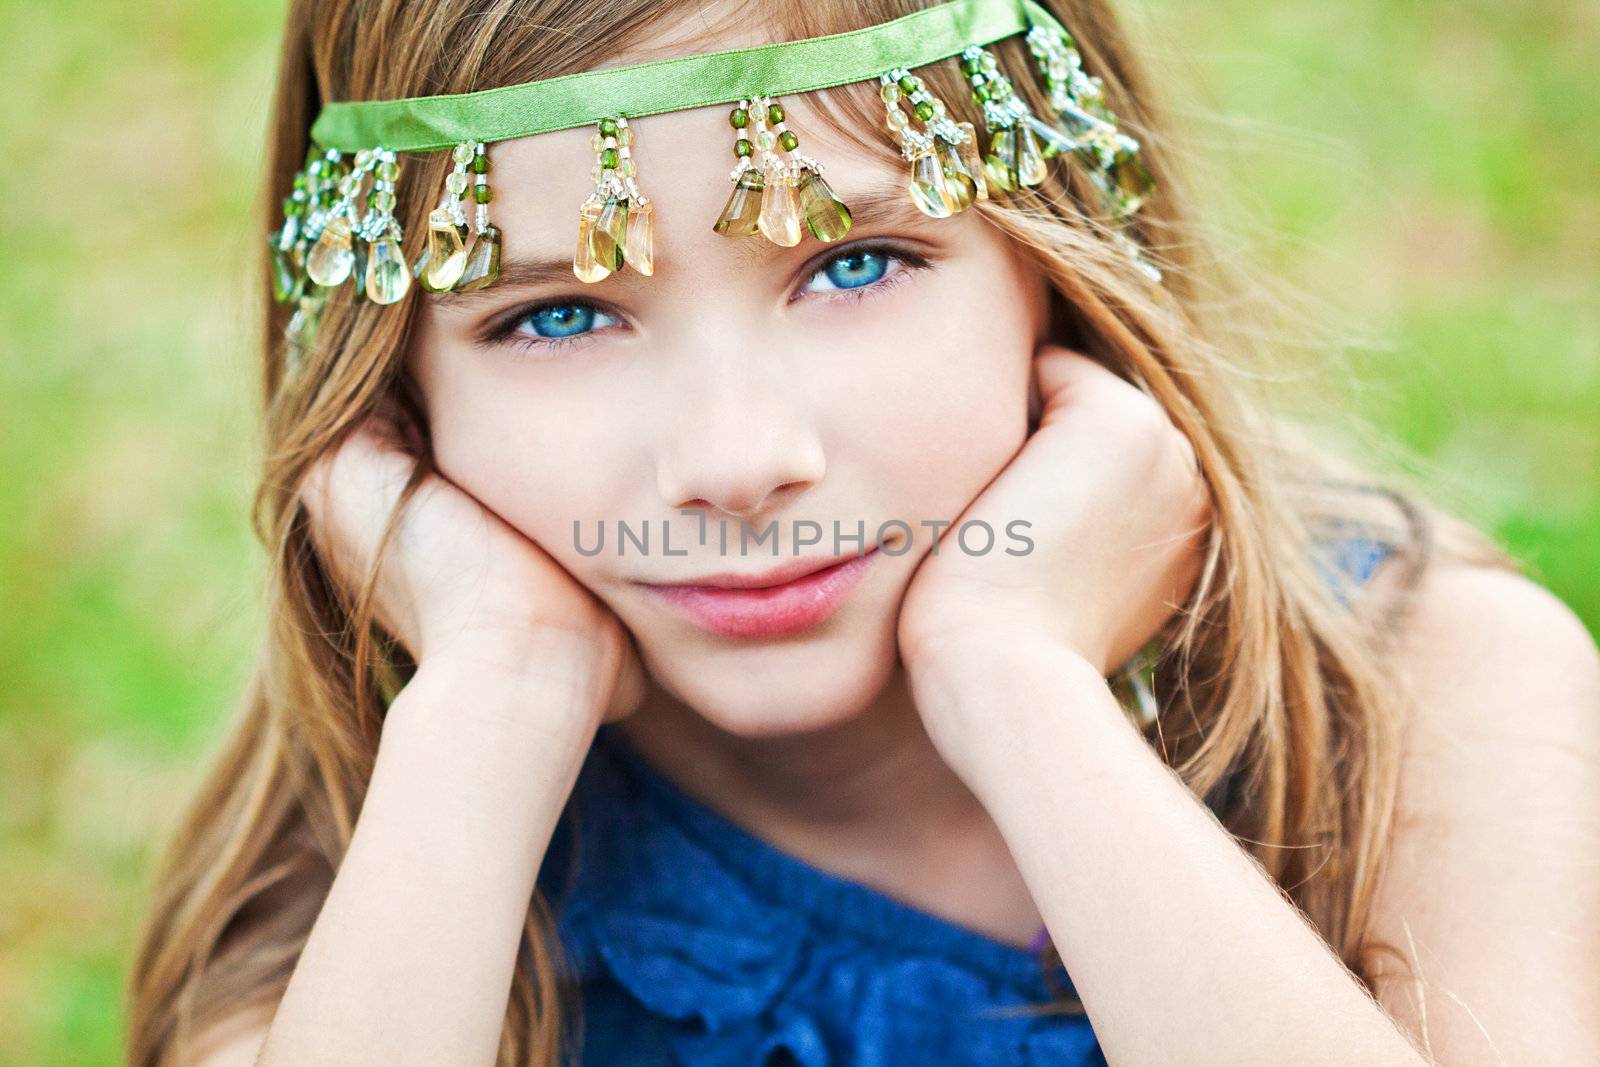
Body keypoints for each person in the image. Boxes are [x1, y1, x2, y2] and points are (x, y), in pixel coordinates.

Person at [125, 1, 1600, 1064]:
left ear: (1060, 261)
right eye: (557, 313)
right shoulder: (375, 916)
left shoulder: (1432, 697)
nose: (738, 460)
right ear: (393, 397)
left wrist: (1017, 685)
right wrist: (497, 691)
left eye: (855, 264)